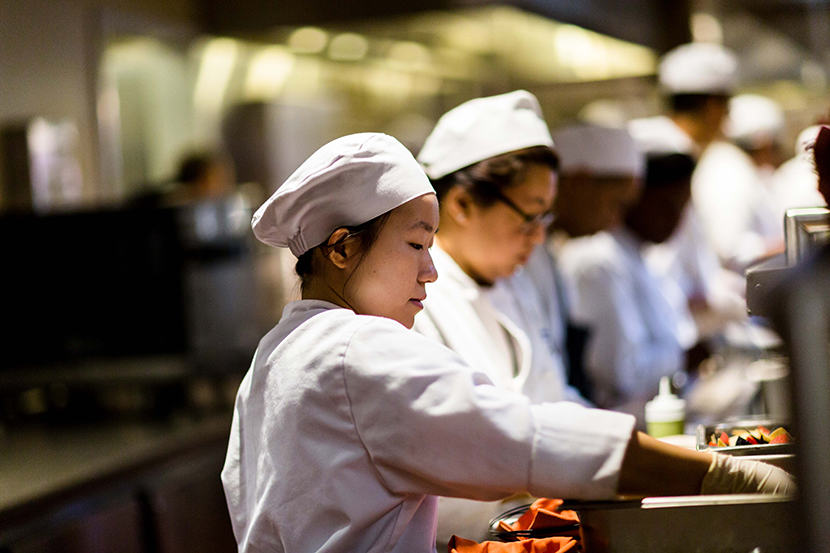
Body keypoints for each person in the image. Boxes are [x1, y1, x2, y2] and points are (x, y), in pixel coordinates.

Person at [221, 132, 793, 553]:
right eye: (417, 246)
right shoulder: (358, 349)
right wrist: (717, 475)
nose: (431, 272)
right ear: (342, 248)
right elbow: (526, 439)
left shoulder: (275, 357)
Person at [412, 91, 584, 546]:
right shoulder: (413, 301)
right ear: (463, 205)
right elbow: (441, 458)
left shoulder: (514, 285)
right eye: (528, 217)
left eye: (545, 217)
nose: (539, 237)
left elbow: (554, 397)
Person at [558, 118, 700, 420]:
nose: (676, 221)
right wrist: (685, 356)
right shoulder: (595, 260)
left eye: (682, 209)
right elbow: (623, 375)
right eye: (666, 207)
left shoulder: (638, 254)